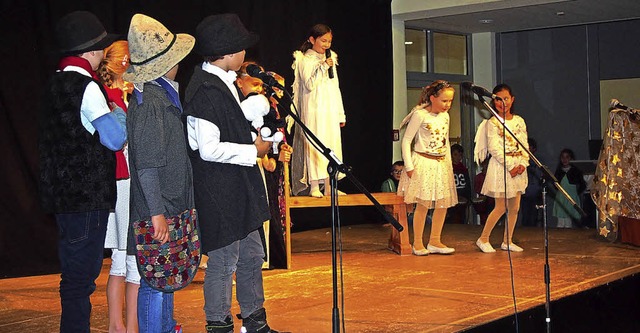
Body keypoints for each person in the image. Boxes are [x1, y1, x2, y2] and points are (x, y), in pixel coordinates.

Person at [184, 14, 280, 333]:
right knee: (224, 261)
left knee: (252, 254)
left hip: (238, 185)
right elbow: (208, 149)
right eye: (241, 49)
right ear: (228, 52)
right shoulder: (205, 90)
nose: (245, 56)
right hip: (219, 189)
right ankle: (218, 323)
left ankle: (255, 320)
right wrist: (254, 150)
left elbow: (232, 128)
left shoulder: (223, 83)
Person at [38, 10, 125, 332]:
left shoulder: (55, 83)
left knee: (73, 275)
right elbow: (115, 140)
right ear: (90, 52)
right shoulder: (86, 87)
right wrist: (117, 114)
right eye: (101, 47)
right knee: (81, 278)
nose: (104, 52)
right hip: (86, 196)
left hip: (61, 196)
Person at [123, 13, 195, 333]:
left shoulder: (159, 96)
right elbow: (148, 165)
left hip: (166, 205)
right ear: (167, 63)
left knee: (165, 280)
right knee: (154, 282)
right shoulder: (151, 103)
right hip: (159, 208)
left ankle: (166, 329)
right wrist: (156, 213)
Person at [97, 40, 140, 333]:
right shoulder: (112, 96)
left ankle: (120, 326)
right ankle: (125, 326)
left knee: (122, 260)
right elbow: (119, 141)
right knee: (128, 258)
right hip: (121, 181)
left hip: (122, 180)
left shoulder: (116, 95)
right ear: (125, 63)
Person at [235, 61, 292, 269]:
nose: (259, 89)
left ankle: (259, 259)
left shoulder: (264, 107)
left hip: (259, 165)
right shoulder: (235, 107)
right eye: (255, 84)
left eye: (261, 85)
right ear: (239, 82)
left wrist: (275, 154)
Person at [397, 80, 457, 256]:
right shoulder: (420, 115)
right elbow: (407, 140)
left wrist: (449, 165)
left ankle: (435, 240)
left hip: (441, 163)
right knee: (423, 203)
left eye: (450, 101)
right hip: (423, 162)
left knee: (442, 203)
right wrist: (408, 165)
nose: (448, 105)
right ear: (432, 98)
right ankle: (417, 243)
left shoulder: (446, 116)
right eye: (444, 101)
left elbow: (445, 141)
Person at [291, 23, 346, 197]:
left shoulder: (332, 58)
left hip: (329, 107)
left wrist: (340, 113)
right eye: (323, 41)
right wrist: (322, 67)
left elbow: (335, 87)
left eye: (329, 41)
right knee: (315, 144)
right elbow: (308, 84)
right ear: (312, 39)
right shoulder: (304, 59)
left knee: (332, 144)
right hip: (314, 108)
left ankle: (330, 186)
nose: (326, 45)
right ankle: (314, 185)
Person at [474, 83, 529, 253]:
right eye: (498, 100)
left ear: (512, 100)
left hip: (518, 166)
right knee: (501, 206)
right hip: (501, 168)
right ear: (493, 102)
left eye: (505, 99)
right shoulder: (493, 122)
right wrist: (511, 166)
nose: (502, 103)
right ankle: (483, 239)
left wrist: (522, 163)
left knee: (514, 207)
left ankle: (507, 240)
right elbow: (494, 148)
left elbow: (524, 144)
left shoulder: (519, 121)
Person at [552, 148, 586, 228]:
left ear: (571, 159)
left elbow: (582, 184)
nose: (564, 159)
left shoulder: (576, 171)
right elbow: (555, 183)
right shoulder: (559, 171)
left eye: (567, 157)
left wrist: (576, 194)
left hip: (571, 197)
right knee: (560, 221)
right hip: (561, 198)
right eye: (563, 157)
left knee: (568, 221)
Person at [519, 138, 543, 227]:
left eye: (530, 148)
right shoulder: (520, 162)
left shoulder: (538, 162)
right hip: (525, 193)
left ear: (534, 149)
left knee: (534, 217)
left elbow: (541, 176)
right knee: (525, 216)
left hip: (535, 193)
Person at [448, 143, 472, 224]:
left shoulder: (464, 169)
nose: (458, 157)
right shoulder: (448, 169)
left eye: (460, 155)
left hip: (462, 197)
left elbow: (467, 185)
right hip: (451, 198)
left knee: (462, 219)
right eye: (455, 155)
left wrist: (468, 198)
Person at [472, 158, 494, 225]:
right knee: (483, 217)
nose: (486, 166)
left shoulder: (493, 177)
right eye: (485, 164)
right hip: (483, 199)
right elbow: (476, 188)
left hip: (492, 199)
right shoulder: (478, 177)